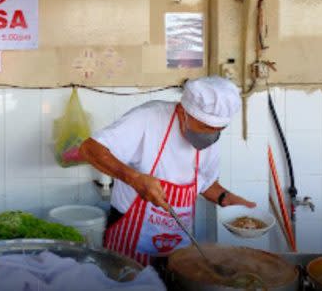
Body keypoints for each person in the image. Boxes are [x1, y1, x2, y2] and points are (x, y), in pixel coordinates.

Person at [79, 76, 255, 267]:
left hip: (179, 240)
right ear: (182, 112)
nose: (210, 135)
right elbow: (90, 149)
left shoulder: (210, 140)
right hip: (130, 235)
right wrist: (134, 178)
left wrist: (225, 198)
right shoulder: (148, 117)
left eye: (218, 129)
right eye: (205, 126)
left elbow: (205, 183)